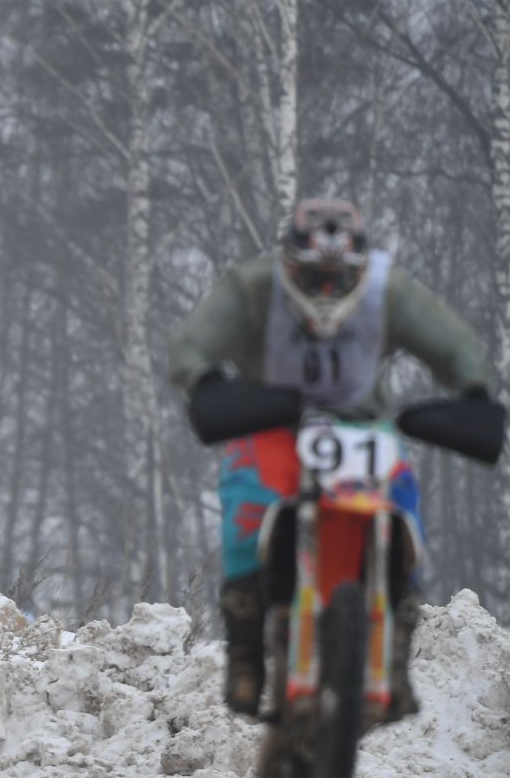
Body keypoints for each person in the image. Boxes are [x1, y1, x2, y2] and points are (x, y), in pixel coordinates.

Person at [168, 198, 496, 722]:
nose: (325, 288)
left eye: (338, 277)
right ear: (287, 264)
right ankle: (246, 654)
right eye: (312, 275)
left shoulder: (387, 291)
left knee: (402, 503)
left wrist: (472, 386)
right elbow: (192, 343)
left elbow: (449, 340)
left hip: (362, 427)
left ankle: (395, 647)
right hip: (272, 424)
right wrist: (205, 380)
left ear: (359, 269)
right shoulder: (253, 288)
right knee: (247, 508)